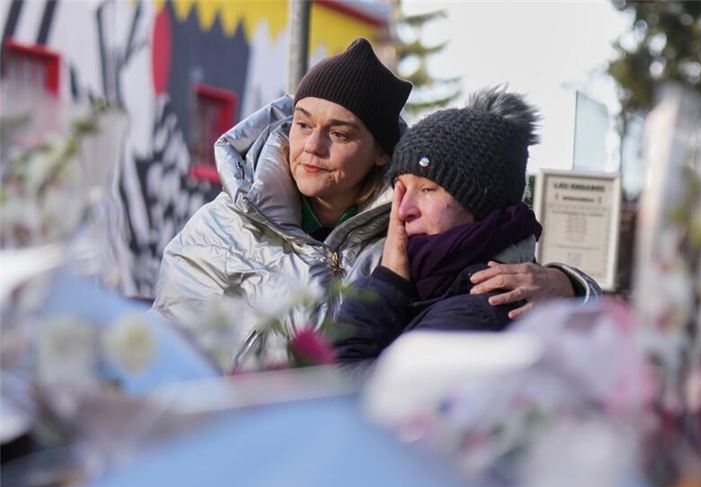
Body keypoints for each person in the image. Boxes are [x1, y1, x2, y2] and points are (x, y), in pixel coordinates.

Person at [152, 38, 598, 370]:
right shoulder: (220, 227)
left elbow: (498, 276)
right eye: (303, 124)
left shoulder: (418, 230)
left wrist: (569, 285)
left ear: (381, 151)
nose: (312, 146)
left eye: (341, 133)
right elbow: (166, 358)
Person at [333, 87, 550, 363]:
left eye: (427, 189)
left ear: (481, 203)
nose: (403, 209)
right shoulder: (427, 284)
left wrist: (386, 284)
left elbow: (342, 386)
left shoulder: (479, 310)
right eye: (401, 189)